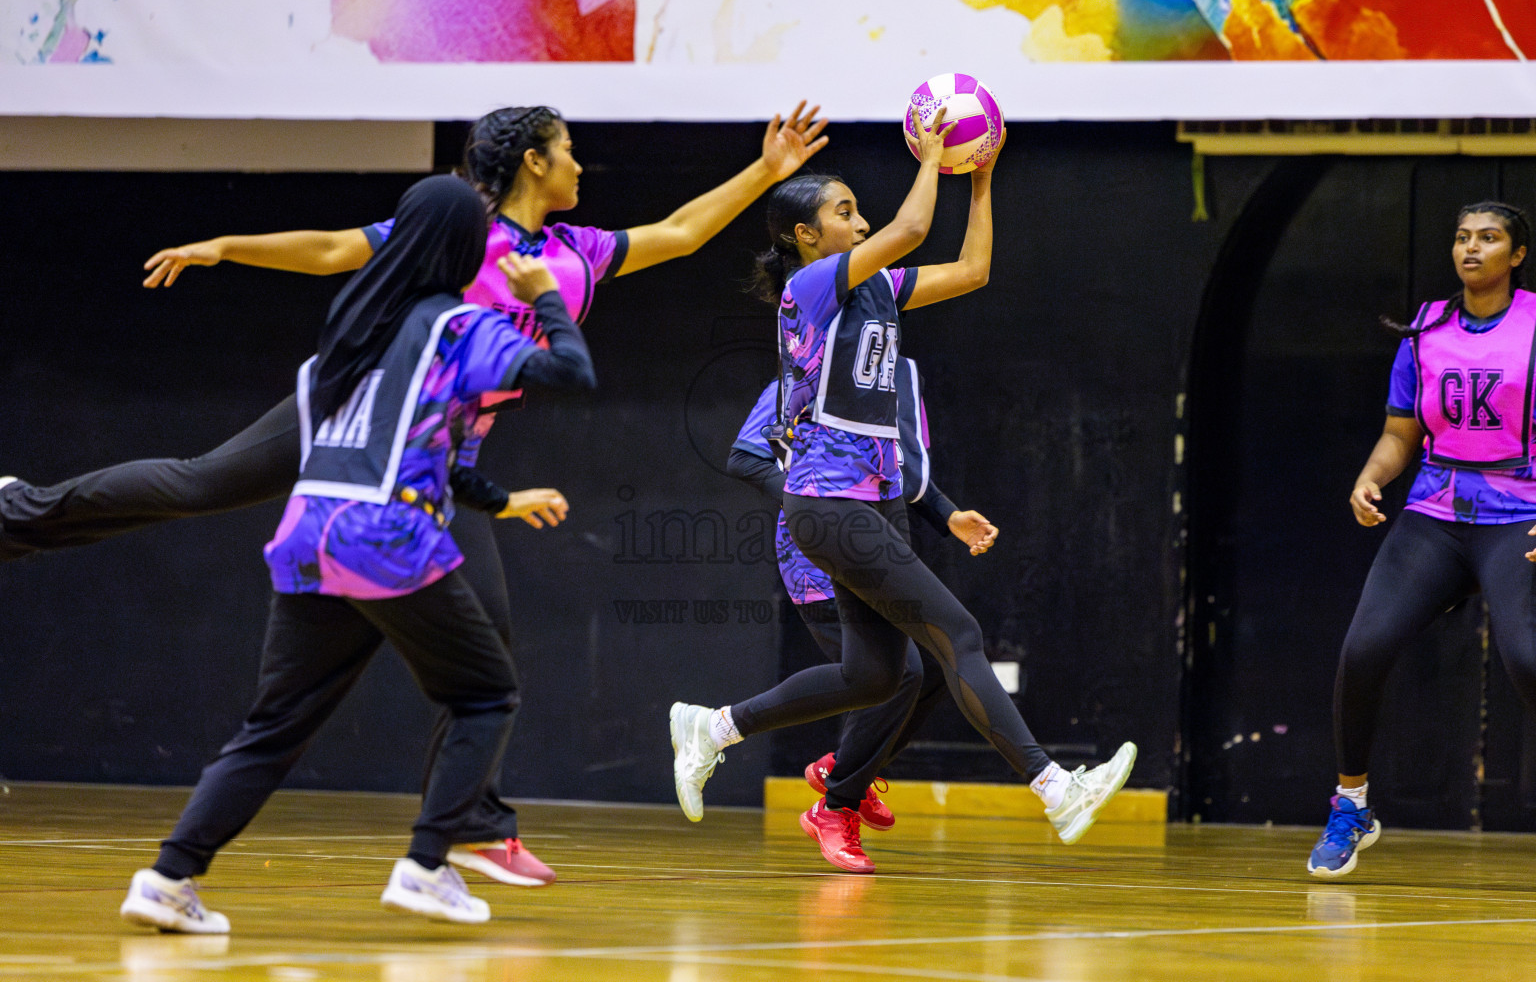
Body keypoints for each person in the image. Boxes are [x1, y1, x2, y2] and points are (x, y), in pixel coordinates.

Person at [1, 101, 827, 887]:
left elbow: (680, 233)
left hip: (434, 455)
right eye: (568, 147)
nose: (581, 161)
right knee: (202, 483)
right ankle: (17, 511)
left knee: (490, 640)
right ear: (535, 160)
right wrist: (226, 245)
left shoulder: (576, 250)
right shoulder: (459, 233)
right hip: (357, 408)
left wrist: (765, 169)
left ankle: (471, 824)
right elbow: (331, 250)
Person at [119, 175, 596, 932]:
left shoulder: (353, 333)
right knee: (484, 693)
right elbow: (573, 372)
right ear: (466, 247)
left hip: (308, 534)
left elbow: (405, 446)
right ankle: (428, 863)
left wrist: (499, 501)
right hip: (386, 536)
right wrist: (545, 298)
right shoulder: (460, 327)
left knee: (274, 726)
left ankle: (168, 876)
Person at [669, 114, 1137, 861]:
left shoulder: (878, 291)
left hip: (874, 500)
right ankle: (1055, 786)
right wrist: (932, 153)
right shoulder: (811, 288)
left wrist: (981, 176)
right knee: (958, 635)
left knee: (878, 673)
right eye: (843, 212)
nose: (859, 222)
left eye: (859, 210)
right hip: (827, 501)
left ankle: (714, 727)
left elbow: (974, 271)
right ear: (806, 238)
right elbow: (915, 225)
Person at [1307, 201, 1536, 880]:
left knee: (1527, 661)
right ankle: (1352, 805)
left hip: (1517, 509)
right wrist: (1370, 477)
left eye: (1489, 239)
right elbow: (1402, 432)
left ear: (1515, 255)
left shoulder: (1532, 325)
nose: (1472, 249)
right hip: (1437, 510)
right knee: (1364, 647)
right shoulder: (1426, 329)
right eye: (1463, 237)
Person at [728, 363, 998, 872]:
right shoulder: (802, 374)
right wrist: (808, 496)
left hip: (880, 547)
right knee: (901, 675)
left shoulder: (900, 379)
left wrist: (948, 515)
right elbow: (744, 456)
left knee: (937, 664)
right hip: (816, 550)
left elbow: (907, 475)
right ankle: (836, 802)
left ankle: (845, 771)